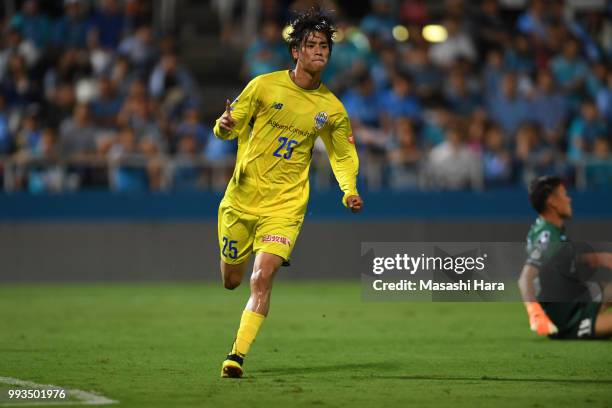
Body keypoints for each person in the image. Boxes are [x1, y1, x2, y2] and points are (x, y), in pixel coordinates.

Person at [212, 7, 363, 378]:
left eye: (325, 46)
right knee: (231, 280)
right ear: (295, 51)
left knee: (261, 278)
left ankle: (236, 356)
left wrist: (349, 189)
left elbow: (343, 155)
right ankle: (236, 265)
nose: (320, 51)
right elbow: (228, 129)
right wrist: (224, 125)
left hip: (286, 205)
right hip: (242, 200)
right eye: (311, 44)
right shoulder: (263, 86)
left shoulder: (332, 109)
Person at [518, 176, 612, 339]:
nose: (569, 199)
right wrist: (534, 313)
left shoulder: (551, 230)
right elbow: (525, 278)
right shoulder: (547, 235)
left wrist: (599, 258)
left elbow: (560, 261)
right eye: (564, 194)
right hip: (568, 321)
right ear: (553, 202)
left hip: (578, 303)